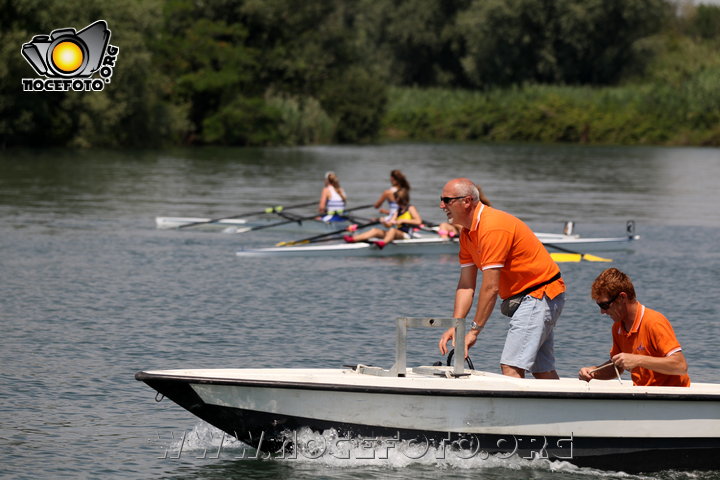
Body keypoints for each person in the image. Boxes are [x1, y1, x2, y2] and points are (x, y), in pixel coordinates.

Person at [437, 178, 565, 379]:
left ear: (467, 201)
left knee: (511, 367)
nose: (441, 205)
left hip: (539, 294)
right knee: (542, 370)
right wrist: (456, 325)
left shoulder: (492, 228)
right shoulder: (467, 233)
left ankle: (515, 411)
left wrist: (474, 332)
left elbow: (490, 288)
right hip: (529, 297)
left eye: (447, 200)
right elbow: (466, 285)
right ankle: (563, 409)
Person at [578, 268, 690, 387]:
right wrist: (593, 371)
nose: (602, 311)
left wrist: (638, 360)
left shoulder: (654, 322)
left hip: (670, 397)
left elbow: (680, 366)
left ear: (622, 298)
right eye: (599, 305)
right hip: (643, 396)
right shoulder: (617, 327)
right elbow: (617, 367)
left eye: (605, 305)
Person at [344, 188, 421, 249]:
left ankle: (383, 244)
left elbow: (418, 221)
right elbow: (389, 225)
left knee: (392, 230)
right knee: (375, 231)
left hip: (407, 234)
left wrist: (402, 220)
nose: (396, 201)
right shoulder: (398, 210)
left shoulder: (411, 208)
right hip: (395, 233)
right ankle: (353, 239)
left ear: (402, 199)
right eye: (396, 199)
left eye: (397, 199)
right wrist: (384, 222)